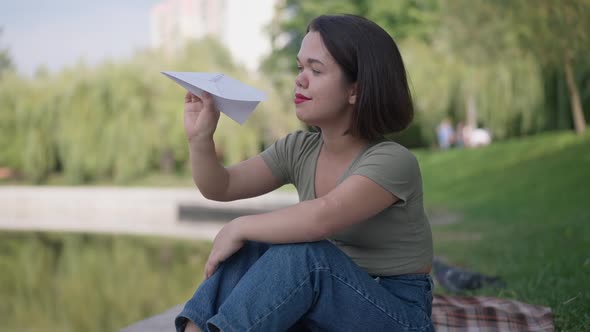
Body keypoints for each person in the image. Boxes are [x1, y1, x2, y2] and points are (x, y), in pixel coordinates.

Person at [176, 14, 434, 332]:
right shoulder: (300, 149)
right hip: (324, 308)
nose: (300, 80)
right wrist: (200, 139)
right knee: (255, 248)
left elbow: (320, 218)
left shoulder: (392, 161)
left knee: (306, 256)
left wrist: (238, 226)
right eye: (300, 68)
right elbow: (222, 186)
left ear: (355, 90)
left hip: (394, 314)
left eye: (316, 69)